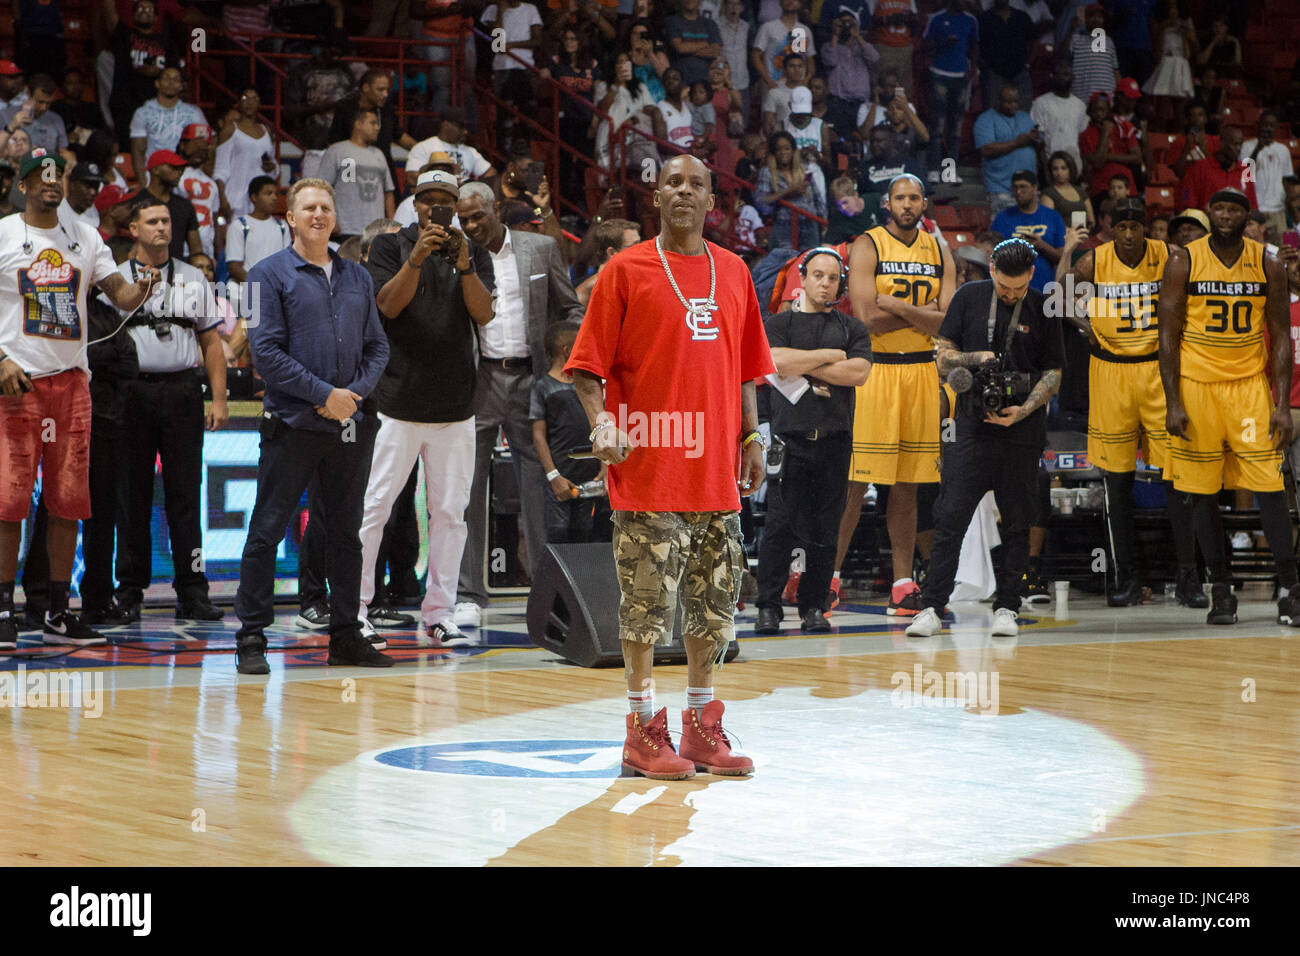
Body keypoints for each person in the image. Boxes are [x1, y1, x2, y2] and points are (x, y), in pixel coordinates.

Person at [566, 153, 773, 779]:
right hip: (649, 469)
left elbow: (745, 369)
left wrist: (753, 438)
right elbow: (584, 367)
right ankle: (640, 730)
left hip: (716, 474)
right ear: (655, 196)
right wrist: (603, 421)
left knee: (715, 608)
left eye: (695, 184)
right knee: (645, 611)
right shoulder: (624, 270)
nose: (683, 191)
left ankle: (700, 728)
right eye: (672, 183)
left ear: (712, 199)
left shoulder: (734, 271)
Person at [233, 178, 391, 674]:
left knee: (346, 534)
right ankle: (252, 637)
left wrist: (353, 397)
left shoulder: (358, 277)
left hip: (350, 425)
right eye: (309, 208)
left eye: (326, 207)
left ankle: (345, 633)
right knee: (267, 529)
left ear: (335, 219)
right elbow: (266, 355)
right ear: (291, 219)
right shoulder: (263, 276)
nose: (318, 215)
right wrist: (326, 396)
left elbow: (379, 347)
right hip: (293, 423)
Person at [0, 147, 156, 650]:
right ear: (22, 185)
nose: (50, 183)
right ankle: (4, 609)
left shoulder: (85, 237)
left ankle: (57, 612)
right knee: (9, 502)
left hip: (72, 381)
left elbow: (120, 295)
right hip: (17, 381)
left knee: (69, 501)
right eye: (40, 176)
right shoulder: (3, 233)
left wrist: (143, 284)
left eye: (57, 176)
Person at [359, 170, 495, 645]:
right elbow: (388, 306)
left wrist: (465, 266)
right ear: (415, 205)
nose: (436, 208)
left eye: (445, 201)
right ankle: (357, 610)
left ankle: (440, 612)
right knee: (375, 508)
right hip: (397, 401)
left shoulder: (471, 253)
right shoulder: (389, 247)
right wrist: (415, 260)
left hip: (456, 404)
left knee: (450, 514)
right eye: (428, 201)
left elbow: (484, 313)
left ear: (455, 206)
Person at [905, 238, 1066, 638]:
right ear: (992, 270)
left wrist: (1024, 409)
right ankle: (930, 606)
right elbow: (942, 358)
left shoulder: (1045, 304)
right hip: (971, 426)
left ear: (1031, 275)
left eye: (1019, 289)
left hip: (1022, 429)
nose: (1011, 295)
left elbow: (1054, 372)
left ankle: (1008, 607)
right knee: (950, 517)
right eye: (1004, 287)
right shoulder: (968, 296)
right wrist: (974, 359)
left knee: (1017, 521)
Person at [1159, 189, 1299, 627]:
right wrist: (1173, 401)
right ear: (1209, 214)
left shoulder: (1268, 262)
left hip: (1249, 387)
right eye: (1217, 208)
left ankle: (1290, 588)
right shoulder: (1184, 259)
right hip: (1197, 386)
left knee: (1270, 490)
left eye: (1234, 209)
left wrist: (1281, 404)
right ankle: (1221, 590)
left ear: (1247, 216)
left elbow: (1279, 336)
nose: (1224, 215)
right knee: (1201, 493)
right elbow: (1167, 336)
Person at [1056, 197, 1204, 606]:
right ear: (1109, 228)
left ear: (1145, 228)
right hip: (1110, 371)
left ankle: (1188, 575)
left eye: (1134, 227)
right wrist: (1087, 325)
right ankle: (1126, 576)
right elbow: (1060, 298)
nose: (1127, 234)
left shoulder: (1170, 256)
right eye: (1119, 227)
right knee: (1117, 480)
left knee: (1177, 475)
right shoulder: (1094, 261)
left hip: (1159, 370)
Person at [454, 182, 584, 627]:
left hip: (532, 375)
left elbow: (571, 310)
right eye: (464, 219)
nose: (471, 226)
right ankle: (468, 592)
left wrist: (566, 361)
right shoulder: (458, 255)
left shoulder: (541, 248)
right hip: (479, 378)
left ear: (496, 209)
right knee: (466, 487)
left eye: (478, 216)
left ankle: (550, 589)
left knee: (540, 487)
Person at [106, 194, 227, 621]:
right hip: (132, 394)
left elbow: (211, 342)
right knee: (131, 495)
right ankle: (129, 592)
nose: (161, 227)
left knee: (184, 495)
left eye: (166, 221)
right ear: (133, 229)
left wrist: (219, 399)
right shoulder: (114, 279)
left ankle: (193, 590)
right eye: (152, 221)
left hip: (181, 393)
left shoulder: (194, 276)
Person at [843, 174, 956, 617]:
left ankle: (903, 584)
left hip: (922, 372)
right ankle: (827, 579)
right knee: (856, 480)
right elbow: (866, 317)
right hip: (877, 371)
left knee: (907, 484)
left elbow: (946, 322)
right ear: (887, 203)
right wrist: (920, 316)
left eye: (914, 198)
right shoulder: (868, 244)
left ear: (924, 203)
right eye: (900, 198)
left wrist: (898, 306)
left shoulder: (939, 250)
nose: (907, 205)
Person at [756, 247, 871, 634]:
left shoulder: (851, 328)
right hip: (790, 440)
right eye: (818, 276)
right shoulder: (778, 323)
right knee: (780, 525)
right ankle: (768, 606)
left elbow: (858, 372)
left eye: (833, 278)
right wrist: (826, 358)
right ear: (802, 278)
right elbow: (775, 361)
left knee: (826, 529)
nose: (826, 283)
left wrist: (806, 363)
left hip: (835, 440)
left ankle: (813, 607)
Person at [531, 320, 612, 545]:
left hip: (590, 476)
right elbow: (538, 435)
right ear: (567, 351)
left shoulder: (591, 389)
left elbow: (603, 426)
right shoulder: (543, 387)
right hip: (560, 477)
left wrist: (605, 467)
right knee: (559, 535)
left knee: (585, 535)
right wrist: (553, 476)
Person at [317, 108, 396, 239]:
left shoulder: (379, 154)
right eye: (372, 123)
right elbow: (321, 188)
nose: (377, 128)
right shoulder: (337, 151)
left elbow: (388, 192)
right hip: (345, 228)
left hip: (375, 231)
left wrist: (392, 223)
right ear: (358, 124)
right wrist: (328, 217)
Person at [127, 66, 205, 183]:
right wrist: (144, 184)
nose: (171, 82)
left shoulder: (194, 113)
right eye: (166, 78)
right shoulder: (143, 112)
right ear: (157, 83)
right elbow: (138, 152)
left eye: (176, 79)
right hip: (154, 175)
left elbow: (203, 146)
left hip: (185, 175)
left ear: (181, 86)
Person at [991, 169, 1065, 291]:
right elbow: (992, 254)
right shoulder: (1002, 218)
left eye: (1023, 187)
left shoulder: (1053, 217)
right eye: (1015, 188)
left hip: (1045, 288)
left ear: (1035, 188)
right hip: (1012, 289)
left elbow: (1062, 257)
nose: (1019, 192)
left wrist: (1042, 246)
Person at [974, 83, 1040, 216]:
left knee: (1030, 232)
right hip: (1001, 189)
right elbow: (986, 149)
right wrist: (1017, 142)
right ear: (998, 101)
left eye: (1015, 102)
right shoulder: (986, 119)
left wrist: (1036, 140)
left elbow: (1037, 143)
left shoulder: (1025, 117)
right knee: (1004, 234)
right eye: (1008, 102)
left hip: (1028, 188)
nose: (1013, 106)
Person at [755, 130, 826, 251]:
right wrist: (788, 191)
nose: (783, 152)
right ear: (774, 153)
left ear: (793, 151)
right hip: (784, 224)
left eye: (787, 148)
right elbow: (761, 202)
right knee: (785, 264)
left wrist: (822, 221)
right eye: (779, 149)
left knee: (809, 263)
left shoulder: (804, 170)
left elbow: (818, 199)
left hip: (809, 224)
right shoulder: (767, 173)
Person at [213, 88, 277, 220]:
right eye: (245, 98)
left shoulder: (267, 131)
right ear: (238, 103)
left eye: (254, 99)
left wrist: (271, 167)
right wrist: (223, 200)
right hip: (236, 200)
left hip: (260, 201)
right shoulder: (230, 130)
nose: (250, 102)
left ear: (259, 103)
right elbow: (220, 169)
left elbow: (273, 165)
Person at [405, 107, 496, 186]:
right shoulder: (424, 147)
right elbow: (412, 177)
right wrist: (446, 182)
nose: (465, 132)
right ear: (446, 124)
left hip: (464, 198)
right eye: (461, 127)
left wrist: (475, 187)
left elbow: (491, 173)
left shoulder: (470, 151)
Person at [1241, 112, 1294, 244]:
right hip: (1255, 209)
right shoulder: (1248, 146)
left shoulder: (1283, 149)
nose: (1268, 128)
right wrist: (1258, 148)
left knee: (1280, 250)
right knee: (1253, 248)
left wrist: (1288, 206)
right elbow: (1246, 175)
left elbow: (1287, 180)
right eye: (1265, 125)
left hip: (1277, 210)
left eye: (1271, 125)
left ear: (1276, 127)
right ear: (1259, 125)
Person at [226, 176, 291, 283]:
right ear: (254, 197)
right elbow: (234, 267)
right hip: (246, 291)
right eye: (268, 193)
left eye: (276, 193)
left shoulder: (282, 226)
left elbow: (287, 263)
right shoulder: (239, 226)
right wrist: (260, 288)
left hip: (275, 293)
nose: (274, 198)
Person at [176, 123, 225, 260]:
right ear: (183, 145)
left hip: (205, 255)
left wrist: (219, 256)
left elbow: (214, 221)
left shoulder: (211, 183)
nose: (200, 149)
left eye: (204, 146)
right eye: (196, 144)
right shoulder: (173, 176)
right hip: (179, 252)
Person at [140, 149, 201, 260]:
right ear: (156, 169)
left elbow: (196, 250)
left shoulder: (185, 206)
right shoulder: (136, 202)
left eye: (181, 169)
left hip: (176, 272)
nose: (179, 173)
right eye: (174, 168)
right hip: (143, 272)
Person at [1178, 126, 1256, 212]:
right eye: (1234, 144)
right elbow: (1187, 201)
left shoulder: (1246, 170)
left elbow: (1252, 207)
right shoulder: (1199, 168)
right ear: (1222, 143)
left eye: (1240, 144)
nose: (1238, 148)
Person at [1031, 61, 1089, 171]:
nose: (1062, 78)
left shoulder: (1080, 105)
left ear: (1072, 78)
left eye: (1066, 74)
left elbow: (1082, 137)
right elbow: (1038, 139)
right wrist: (1044, 168)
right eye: (1058, 74)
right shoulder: (1041, 102)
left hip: (1073, 165)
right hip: (1050, 164)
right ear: (1052, 77)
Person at [574, 217, 641, 304]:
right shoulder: (585, 293)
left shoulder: (634, 281)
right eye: (634, 246)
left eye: (640, 243)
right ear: (612, 252)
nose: (642, 250)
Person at [0, 74, 68, 154]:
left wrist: (69, 158)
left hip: (46, 164)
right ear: (28, 93)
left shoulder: (56, 120)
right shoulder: (5, 115)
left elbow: (63, 151)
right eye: (40, 102)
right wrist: (11, 127)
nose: (44, 108)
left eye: (48, 103)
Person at [666, 0, 723, 88]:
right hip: (680, 84)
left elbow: (716, 51)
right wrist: (705, 43)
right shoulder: (672, 21)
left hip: (706, 84)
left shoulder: (710, 23)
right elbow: (680, 48)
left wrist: (689, 49)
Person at [1040, 150, 1094, 229]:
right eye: (1055, 169)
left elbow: (1091, 220)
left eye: (1063, 168)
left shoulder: (1080, 191)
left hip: (1084, 236)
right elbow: (1048, 223)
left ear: (1070, 169)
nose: (1059, 172)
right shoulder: (1049, 193)